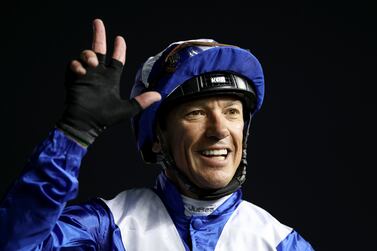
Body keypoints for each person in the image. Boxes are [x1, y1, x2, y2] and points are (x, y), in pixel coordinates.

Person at [0, 19, 314, 250]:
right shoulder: (108, 226)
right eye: (196, 113)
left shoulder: (280, 243)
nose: (219, 130)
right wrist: (74, 134)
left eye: (232, 112)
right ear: (158, 137)